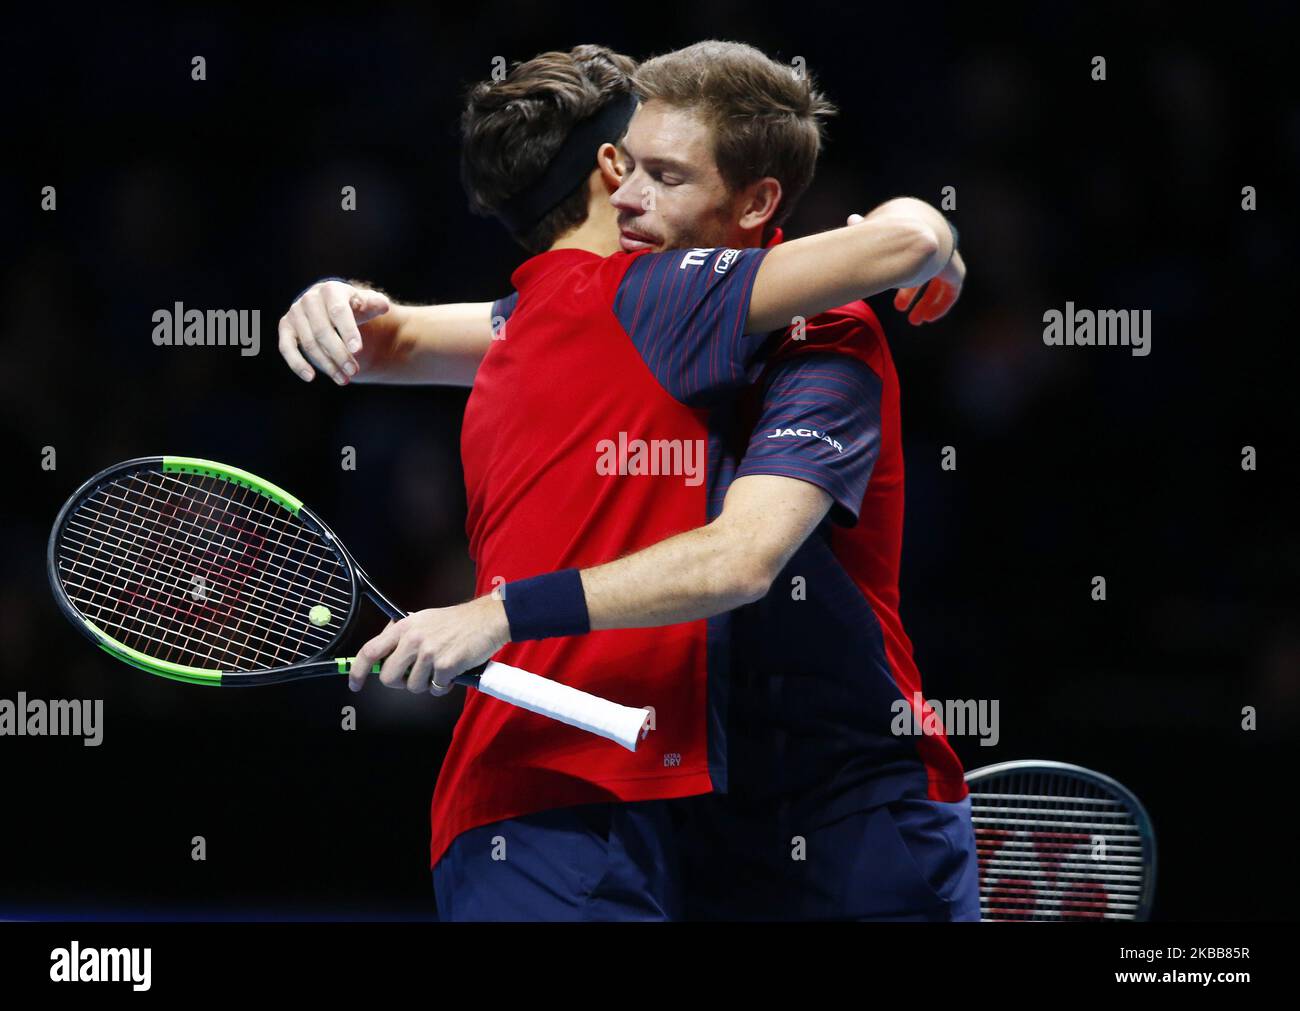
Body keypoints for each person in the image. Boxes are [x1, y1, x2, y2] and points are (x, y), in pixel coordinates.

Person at [279, 42, 975, 921]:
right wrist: (332, 296)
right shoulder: (621, 303)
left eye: (666, 175)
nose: (630, 195)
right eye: (627, 165)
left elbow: (742, 556)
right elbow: (408, 340)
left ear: (756, 202)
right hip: (711, 815)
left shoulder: (819, 332)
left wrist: (497, 612)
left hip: (858, 799)